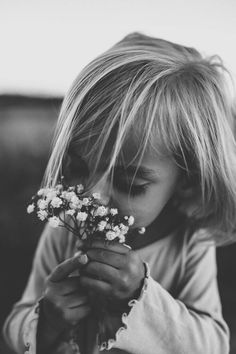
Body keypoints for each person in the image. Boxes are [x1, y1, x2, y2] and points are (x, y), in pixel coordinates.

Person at [3, 32, 236, 354]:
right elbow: (16, 324)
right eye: (78, 168)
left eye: (130, 184)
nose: (92, 196)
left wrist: (139, 295)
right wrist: (48, 321)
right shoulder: (64, 230)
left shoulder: (189, 242)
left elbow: (213, 345)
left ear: (188, 179)